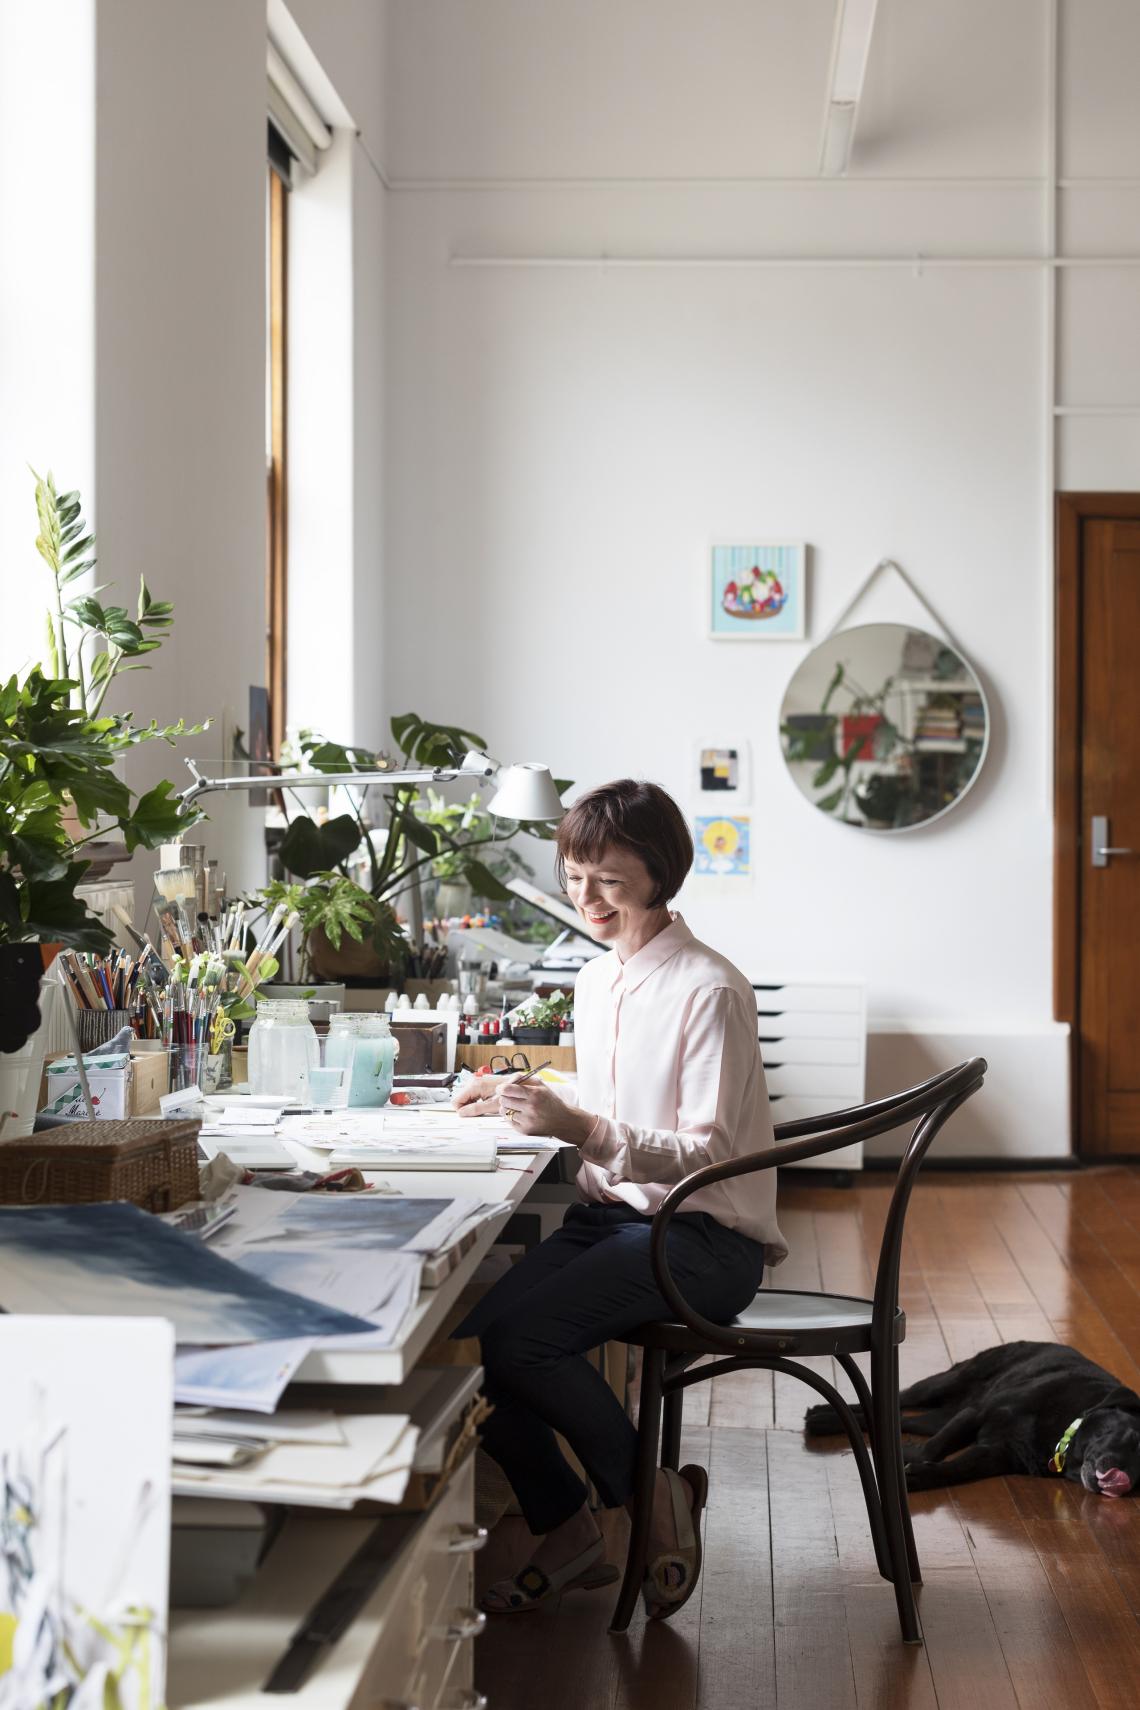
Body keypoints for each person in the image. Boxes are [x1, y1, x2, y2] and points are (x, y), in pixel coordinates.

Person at [453, 778, 787, 1618]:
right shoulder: (599, 982)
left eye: (607, 877)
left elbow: (707, 1153)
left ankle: (650, 1497)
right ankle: (568, 1528)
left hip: (704, 1239)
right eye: (573, 875)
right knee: (473, 1349)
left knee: (524, 1343)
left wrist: (582, 1128)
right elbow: (613, 1099)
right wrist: (512, 1092)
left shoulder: (708, 988)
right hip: (613, 1223)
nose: (586, 897)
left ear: (660, 873)